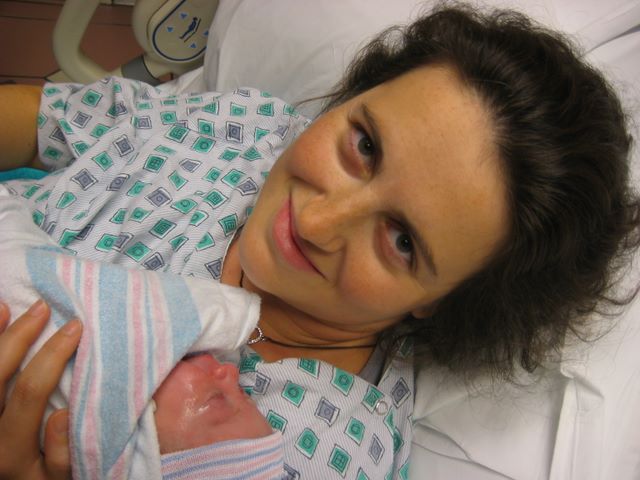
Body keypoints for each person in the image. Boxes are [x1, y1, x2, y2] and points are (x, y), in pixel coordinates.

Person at [1, 4, 639, 479]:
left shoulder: (323, 445)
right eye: (364, 145)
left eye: (402, 241)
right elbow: (49, 120)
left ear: (442, 300)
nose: (316, 222)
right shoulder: (245, 128)